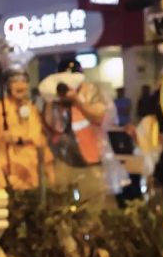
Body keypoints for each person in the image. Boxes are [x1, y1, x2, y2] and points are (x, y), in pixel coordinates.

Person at [41, 59, 115, 208]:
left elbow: (99, 117)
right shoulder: (54, 98)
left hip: (91, 162)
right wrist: (54, 100)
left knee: (93, 212)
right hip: (62, 161)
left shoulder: (92, 91)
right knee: (59, 209)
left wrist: (77, 100)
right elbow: (48, 125)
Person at [0, 68, 53, 189]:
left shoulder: (32, 107)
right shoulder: (2, 108)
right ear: (8, 86)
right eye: (15, 81)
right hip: (11, 167)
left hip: (32, 167)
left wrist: (18, 139)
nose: (20, 85)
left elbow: (37, 136)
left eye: (24, 81)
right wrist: (0, 168)